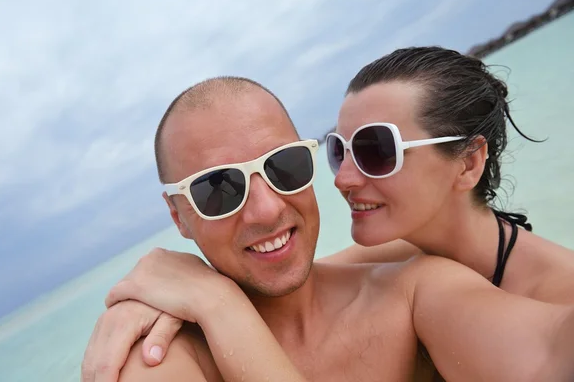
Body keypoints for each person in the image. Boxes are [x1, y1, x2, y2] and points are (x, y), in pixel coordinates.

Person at [81, 74, 574, 382]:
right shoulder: (159, 353)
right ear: (178, 216)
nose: (266, 211)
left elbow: (552, 355)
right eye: (218, 190)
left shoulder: (416, 291)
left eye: (285, 166)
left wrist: (218, 302)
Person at [319, 46, 574, 305]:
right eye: (339, 150)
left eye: (377, 150)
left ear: (468, 163)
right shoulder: (393, 259)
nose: (342, 179)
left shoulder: (559, 299)